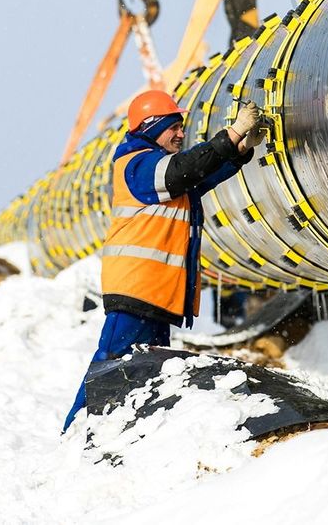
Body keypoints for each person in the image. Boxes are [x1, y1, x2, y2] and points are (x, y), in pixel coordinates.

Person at [63, 90, 268, 430]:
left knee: (149, 375)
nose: (180, 133)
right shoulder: (137, 163)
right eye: (172, 126)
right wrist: (232, 133)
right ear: (150, 127)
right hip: (135, 291)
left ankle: (125, 435)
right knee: (111, 368)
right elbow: (185, 169)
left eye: (180, 126)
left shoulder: (161, 175)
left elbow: (199, 177)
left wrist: (241, 148)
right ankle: (76, 433)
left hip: (155, 294)